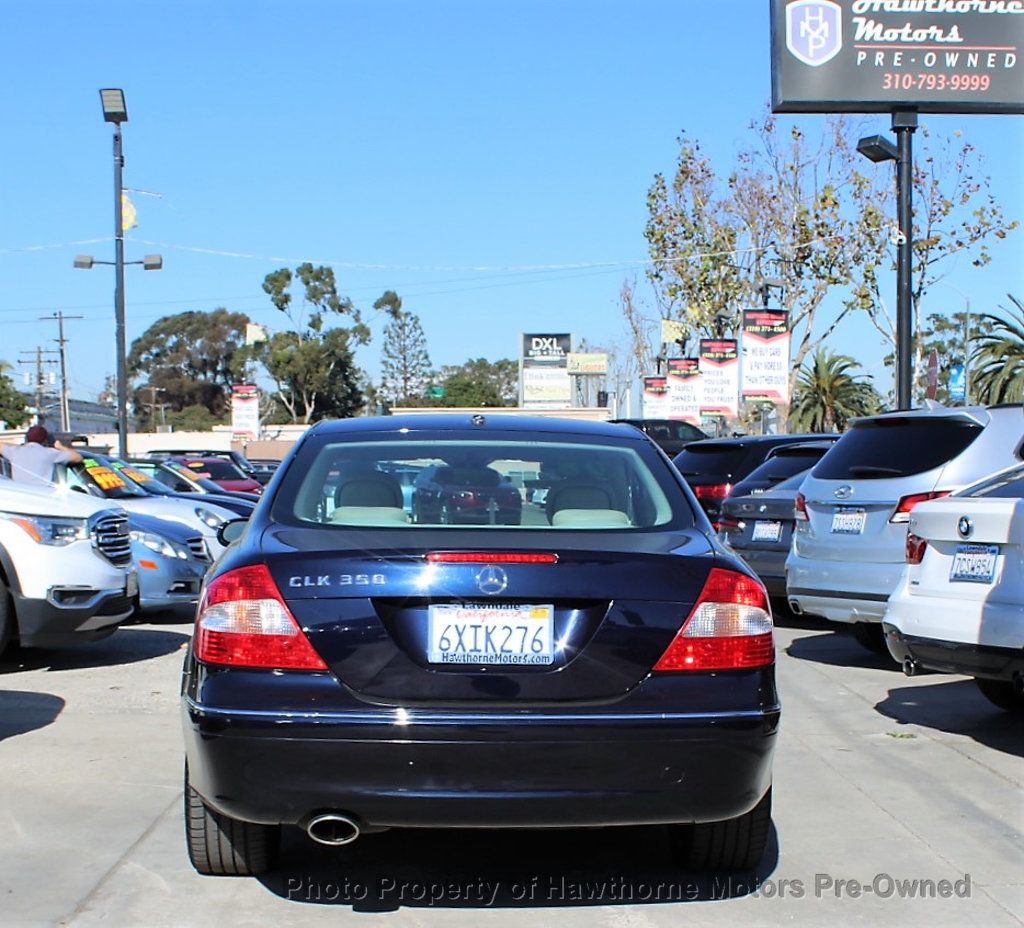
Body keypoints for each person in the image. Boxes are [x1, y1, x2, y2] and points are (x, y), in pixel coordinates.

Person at [1, 426, 83, 486]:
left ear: (27, 438)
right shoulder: (50, 453)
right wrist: (60, 446)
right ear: (45, 440)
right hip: (44, 494)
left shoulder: (15, 451)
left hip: (20, 495)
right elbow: (78, 457)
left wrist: (16, 446)